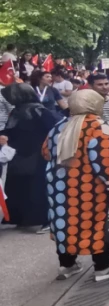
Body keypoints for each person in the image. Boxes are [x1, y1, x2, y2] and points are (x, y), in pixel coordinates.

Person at [42, 89, 109, 281]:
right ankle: (102, 268)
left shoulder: (59, 126)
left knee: (65, 223)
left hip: (59, 188)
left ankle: (66, 265)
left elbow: (45, 152)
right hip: (92, 189)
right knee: (98, 225)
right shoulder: (99, 127)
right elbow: (106, 163)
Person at [2, 84, 62, 231]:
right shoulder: (20, 111)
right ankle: (23, 217)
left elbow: (53, 130)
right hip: (20, 154)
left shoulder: (38, 111)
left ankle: (42, 218)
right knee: (20, 185)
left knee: (35, 186)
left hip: (36, 154)